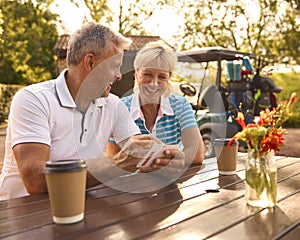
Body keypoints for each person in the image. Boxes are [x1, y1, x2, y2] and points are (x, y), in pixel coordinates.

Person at [0, 23, 184, 200]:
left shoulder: (113, 104)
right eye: (114, 66)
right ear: (90, 62)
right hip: (23, 217)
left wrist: (165, 160)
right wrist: (117, 163)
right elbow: (35, 180)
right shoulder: (33, 99)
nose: (119, 76)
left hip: (82, 207)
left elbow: (139, 150)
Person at [106, 41, 205, 165]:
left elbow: (197, 153)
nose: (154, 83)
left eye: (162, 77)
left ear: (169, 78)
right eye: (147, 74)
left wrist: (160, 164)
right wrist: (169, 159)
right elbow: (113, 159)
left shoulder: (180, 105)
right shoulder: (121, 108)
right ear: (136, 74)